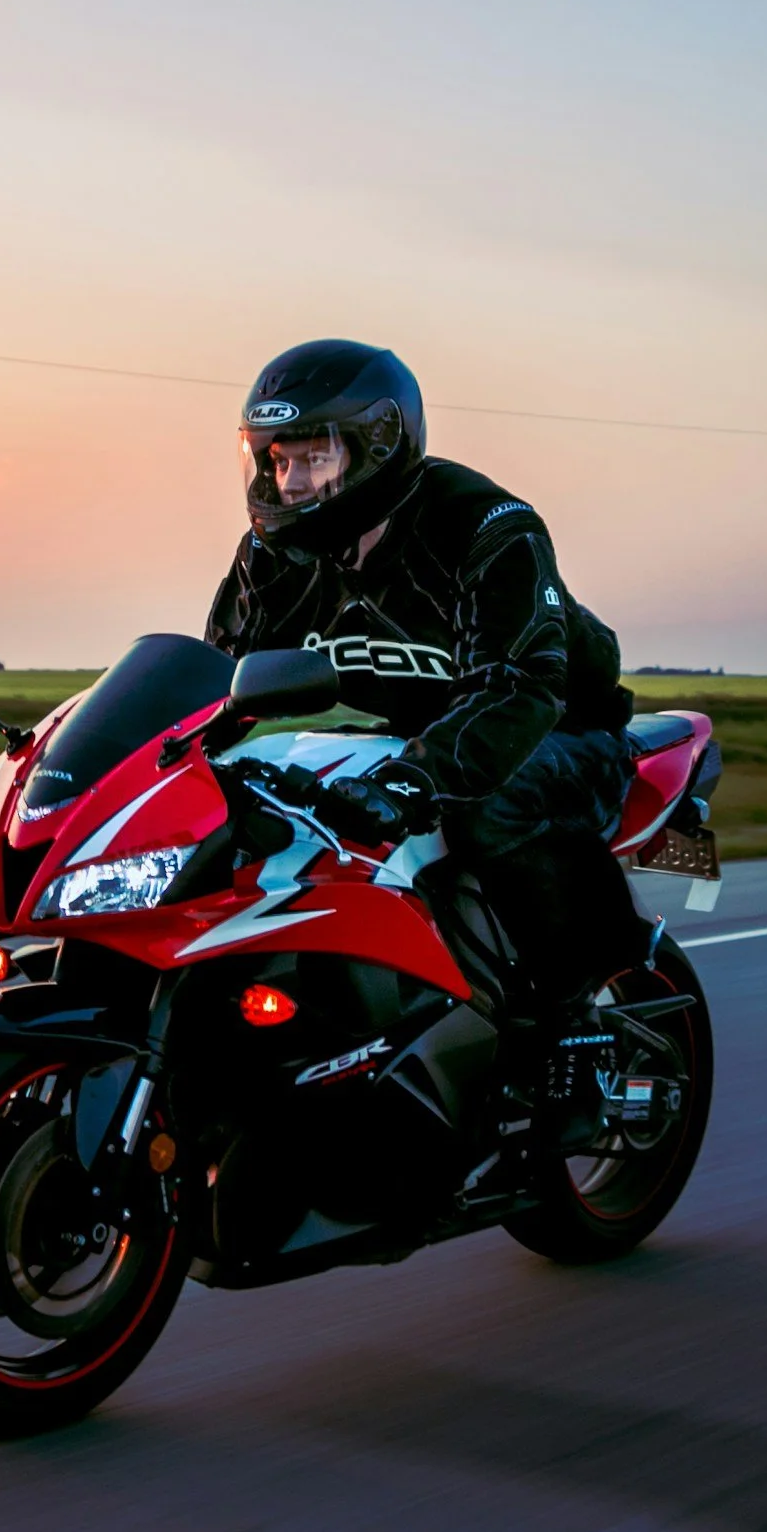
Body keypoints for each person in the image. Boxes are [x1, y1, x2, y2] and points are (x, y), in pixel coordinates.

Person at [203, 338, 652, 1114]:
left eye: (315, 457)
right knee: (277, 802)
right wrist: (161, 755)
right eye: (278, 460)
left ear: (379, 445)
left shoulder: (486, 524)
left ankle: (571, 1019)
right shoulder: (277, 553)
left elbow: (519, 686)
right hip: (427, 729)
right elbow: (219, 673)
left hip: (556, 729)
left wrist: (415, 776)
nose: (291, 481)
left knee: (480, 806)